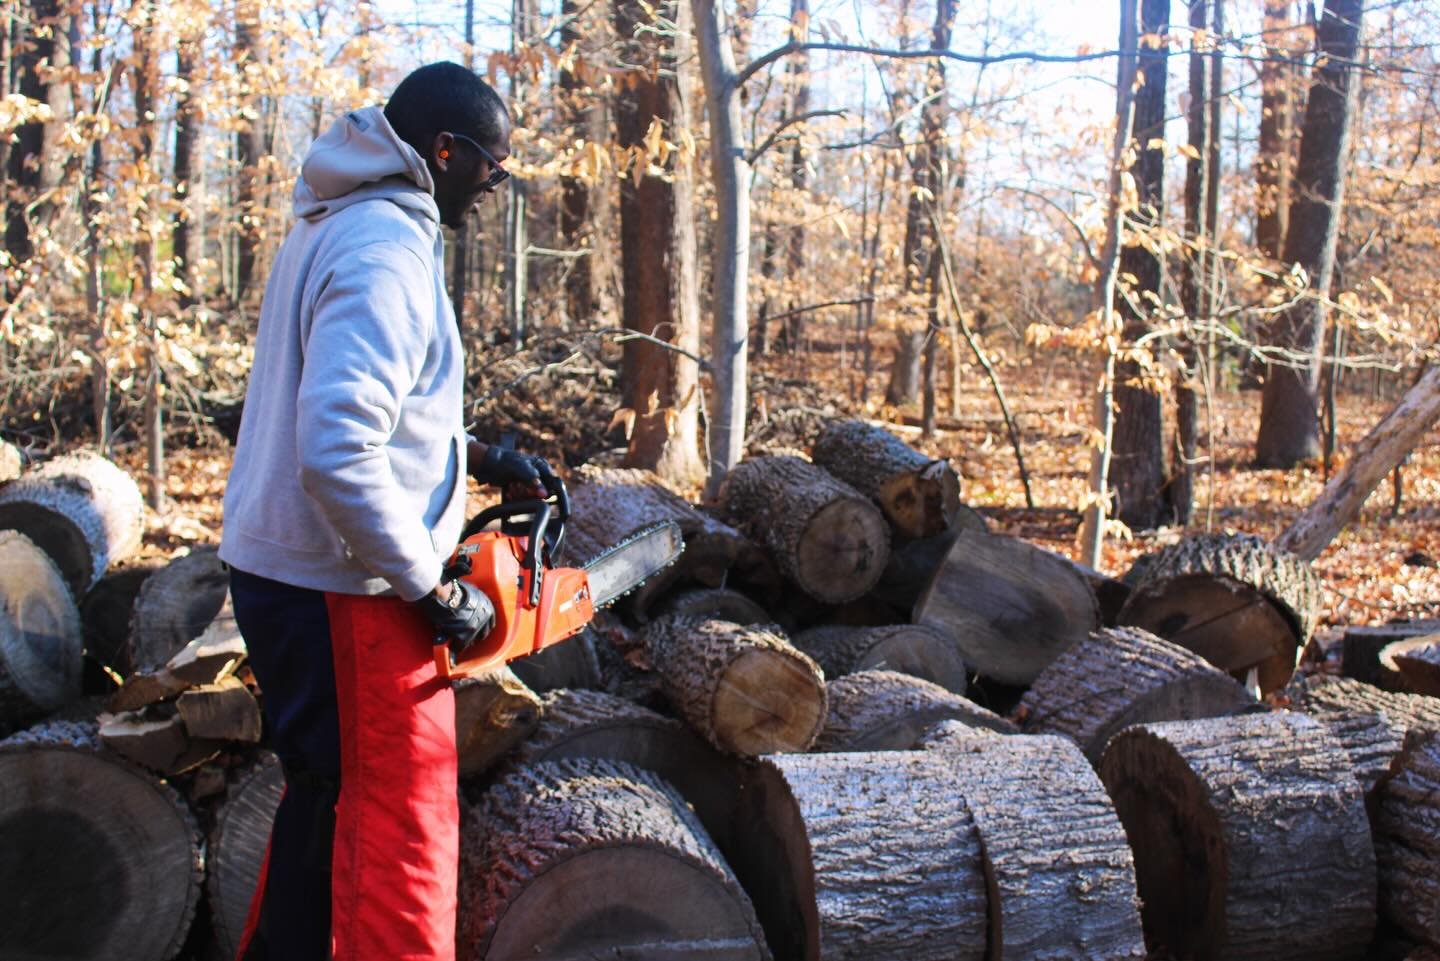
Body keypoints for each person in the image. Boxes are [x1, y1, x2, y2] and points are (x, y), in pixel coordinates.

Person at [218, 62, 554, 961]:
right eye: (493, 165)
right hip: (343, 587)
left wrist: (478, 455)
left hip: (297, 571)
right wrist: (429, 589)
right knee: (393, 832)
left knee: (326, 811)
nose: (495, 185)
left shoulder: (345, 220)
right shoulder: (384, 250)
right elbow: (335, 446)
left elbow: (361, 402)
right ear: (444, 152)